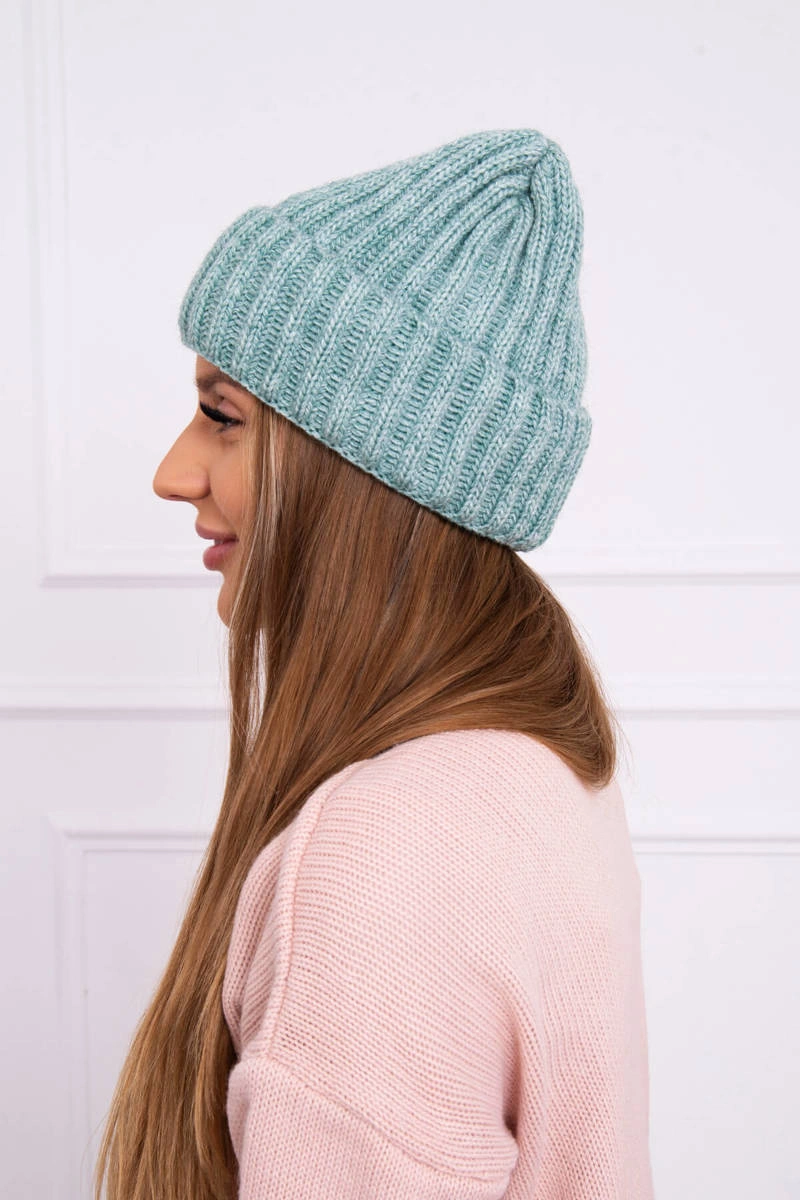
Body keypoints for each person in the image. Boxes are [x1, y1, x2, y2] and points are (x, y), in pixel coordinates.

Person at [94, 128, 654, 1199]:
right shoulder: (533, 762)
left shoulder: (379, 854)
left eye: (221, 417)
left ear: (357, 469)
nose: (174, 472)